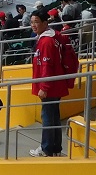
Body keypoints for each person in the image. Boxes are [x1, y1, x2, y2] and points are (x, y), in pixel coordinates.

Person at [29, 10, 74, 157]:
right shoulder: (50, 38)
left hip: (50, 87)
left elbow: (47, 66)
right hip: (55, 84)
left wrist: (44, 87)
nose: (33, 25)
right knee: (53, 115)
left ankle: (47, 148)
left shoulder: (46, 42)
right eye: (31, 22)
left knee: (48, 117)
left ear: (45, 23)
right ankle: (55, 148)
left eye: (36, 22)